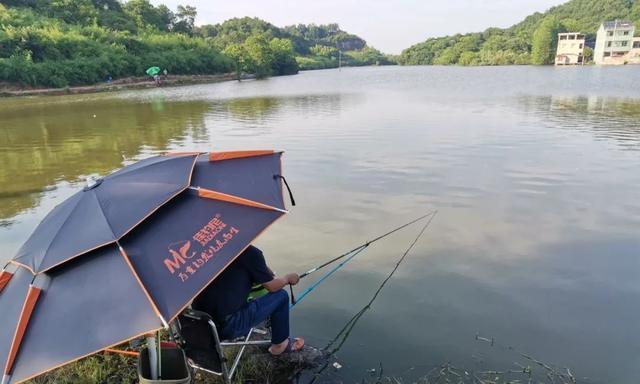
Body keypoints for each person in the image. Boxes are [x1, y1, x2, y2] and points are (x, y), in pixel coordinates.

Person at [193, 245, 304, 354]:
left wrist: (262, 269)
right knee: (281, 296)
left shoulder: (209, 251)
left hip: (199, 322)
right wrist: (287, 278)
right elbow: (272, 286)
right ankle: (280, 346)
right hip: (227, 326)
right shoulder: (249, 252)